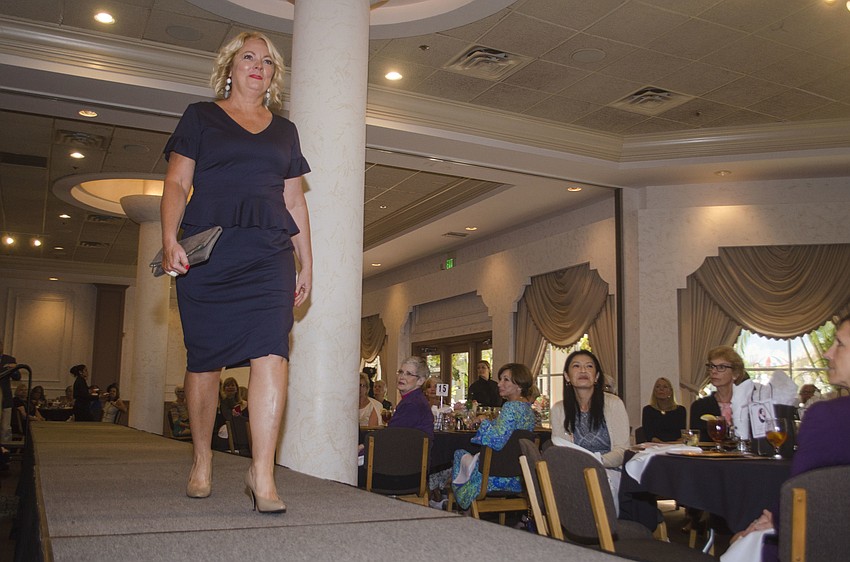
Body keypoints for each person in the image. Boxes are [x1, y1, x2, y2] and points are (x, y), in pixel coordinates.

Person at [160, 31, 312, 513]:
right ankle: (202, 458)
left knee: (273, 352)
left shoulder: (285, 132)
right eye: (248, 57)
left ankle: (261, 472)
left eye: (267, 62)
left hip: (268, 253)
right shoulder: (200, 117)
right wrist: (168, 237)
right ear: (230, 67)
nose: (257, 66)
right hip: (211, 250)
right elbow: (177, 180)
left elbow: (293, 201)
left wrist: (307, 260)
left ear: (273, 77)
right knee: (205, 360)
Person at [728, 314, 850, 562]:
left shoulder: (829, 417)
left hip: (820, 549)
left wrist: (771, 519)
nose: (827, 353)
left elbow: (799, 502)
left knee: (739, 543)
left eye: (840, 344)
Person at [450, 362, 536, 511]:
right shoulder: (528, 410)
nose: (499, 384)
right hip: (519, 477)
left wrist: (483, 421)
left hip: (495, 476)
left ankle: (463, 504)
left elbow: (496, 441)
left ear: (519, 386)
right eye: (500, 379)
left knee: (459, 454)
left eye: (506, 380)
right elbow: (508, 434)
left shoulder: (510, 407)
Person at [550, 350, 630, 468]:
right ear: (567, 376)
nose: (583, 370)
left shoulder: (614, 404)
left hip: (608, 470)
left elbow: (623, 449)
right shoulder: (558, 409)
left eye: (589, 366)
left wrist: (596, 462)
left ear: (596, 376)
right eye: (576, 366)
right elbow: (562, 451)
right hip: (574, 470)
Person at [689, 346, 744, 438]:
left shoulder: (747, 404)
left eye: (721, 367)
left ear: (735, 374)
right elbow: (699, 441)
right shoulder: (700, 406)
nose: (714, 371)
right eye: (712, 366)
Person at [387, 357, 434, 439]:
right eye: (401, 372)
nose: (402, 377)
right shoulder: (415, 399)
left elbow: (392, 434)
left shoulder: (412, 404)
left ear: (420, 381)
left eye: (408, 374)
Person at [641, 377, 687, 442]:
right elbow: (649, 435)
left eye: (665, 387)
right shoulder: (648, 410)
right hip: (655, 447)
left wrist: (672, 445)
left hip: (675, 447)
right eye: (658, 387)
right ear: (654, 391)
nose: (661, 389)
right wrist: (662, 445)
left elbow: (681, 434)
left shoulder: (680, 410)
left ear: (670, 392)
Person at [0, 339, 18, 442]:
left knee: (5, 428)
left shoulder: (9, 359)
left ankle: (5, 452)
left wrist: (14, 369)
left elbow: (17, 377)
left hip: (5, 398)